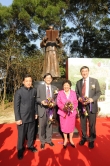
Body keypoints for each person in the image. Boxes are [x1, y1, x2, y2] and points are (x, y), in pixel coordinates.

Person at [75, 66, 101, 149]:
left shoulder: (94, 81)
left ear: (88, 71)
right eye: (83, 71)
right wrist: (79, 98)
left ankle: (91, 140)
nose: (84, 73)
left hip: (91, 106)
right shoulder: (78, 82)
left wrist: (91, 99)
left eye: (86, 71)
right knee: (83, 124)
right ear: (81, 73)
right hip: (82, 106)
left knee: (92, 124)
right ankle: (84, 137)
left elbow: (98, 93)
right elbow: (76, 93)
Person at [14, 74, 38, 160]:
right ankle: (20, 149)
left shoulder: (34, 90)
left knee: (31, 132)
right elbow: (16, 106)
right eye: (27, 81)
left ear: (32, 82)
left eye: (30, 81)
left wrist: (36, 113)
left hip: (32, 116)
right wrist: (18, 118)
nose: (28, 83)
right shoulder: (19, 92)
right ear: (23, 82)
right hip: (22, 117)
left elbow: (35, 103)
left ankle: (30, 146)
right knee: (21, 134)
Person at [37, 73, 58, 149]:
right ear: (44, 79)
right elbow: (37, 98)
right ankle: (42, 141)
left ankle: (48, 140)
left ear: (51, 79)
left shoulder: (55, 88)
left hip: (51, 110)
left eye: (50, 78)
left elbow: (57, 98)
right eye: (47, 78)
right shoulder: (39, 87)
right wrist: (41, 101)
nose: (48, 79)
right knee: (42, 126)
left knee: (50, 125)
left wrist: (54, 103)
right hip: (42, 109)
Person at [57, 80, 78, 148]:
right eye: (64, 85)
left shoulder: (73, 93)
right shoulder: (60, 93)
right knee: (64, 127)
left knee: (71, 127)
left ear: (70, 86)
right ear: (63, 86)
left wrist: (72, 108)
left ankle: (71, 139)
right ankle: (65, 140)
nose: (66, 86)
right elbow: (58, 102)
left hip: (71, 113)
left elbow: (75, 102)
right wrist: (64, 108)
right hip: (63, 113)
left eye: (67, 85)